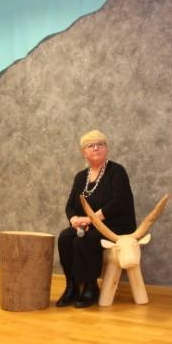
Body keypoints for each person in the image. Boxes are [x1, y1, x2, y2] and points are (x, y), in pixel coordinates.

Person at [57, 130, 136, 308]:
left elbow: (118, 203)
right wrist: (74, 219)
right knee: (65, 238)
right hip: (90, 225)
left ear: (106, 149)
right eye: (90, 145)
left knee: (84, 241)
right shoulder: (80, 177)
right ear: (84, 152)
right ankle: (72, 286)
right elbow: (70, 206)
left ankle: (91, 288)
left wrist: (91, 220)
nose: (96, 148)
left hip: (115, 226)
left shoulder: (116, 171)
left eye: (100, 144)